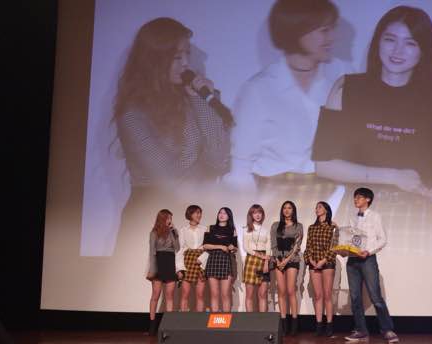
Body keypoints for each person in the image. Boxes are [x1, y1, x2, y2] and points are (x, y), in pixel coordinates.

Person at [313, 5, 432, 256]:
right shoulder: (348, 89)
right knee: (354, 282)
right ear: (377, 42)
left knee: (413, 282)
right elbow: (324, 165)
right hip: (359, 212)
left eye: (410, 43)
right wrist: (393, 176)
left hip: (417, 217)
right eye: (390, 39)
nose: (397, 51)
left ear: (423, 50)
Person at [113, 17, 232, 257]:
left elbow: (219, 160)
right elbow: (167, 178)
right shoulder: (132, 113)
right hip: (150, 219)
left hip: (192, 219)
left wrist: (199, 101)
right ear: (154, 61)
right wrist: (199, 159)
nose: (186, 64)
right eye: (177, 57)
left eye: (187, 54)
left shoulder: (190, 100)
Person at [225, 0, 352, 214]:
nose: (332, 38)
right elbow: (241, 167)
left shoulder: (340, 78)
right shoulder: (259, 89)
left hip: (332, 200)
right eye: (324, 30)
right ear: (298, 31)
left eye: (332, 29)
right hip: (275, 203)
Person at [343, 188, 399, 344]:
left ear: (368, 199)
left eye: (359, 197)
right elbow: (351, 239)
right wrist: (344, 249)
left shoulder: (375, 216)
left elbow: (383, 239)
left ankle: (387, 329)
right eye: (355, 197)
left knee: (375, 296)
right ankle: (361, 330)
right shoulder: (352, 217)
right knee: (355, 297)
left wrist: (369, 251)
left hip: (368, 259)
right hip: (353, 260)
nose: (356, 200)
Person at [304, 201, 338, 336]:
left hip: (327, 262)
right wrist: (311, 260)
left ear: (326, 210)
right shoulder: (312, 227)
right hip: (314, 262)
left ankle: (329, 325)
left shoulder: (333, 227)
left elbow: (334, 246)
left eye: (320, 207)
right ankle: (318, 325)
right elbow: (308, 246)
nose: (317, 209)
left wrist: (323, 260)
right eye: (316, 207)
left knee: (327, 294)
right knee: (318, 295)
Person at [270, 201, 304, 335]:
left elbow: (297, 246)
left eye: (289, 208)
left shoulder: (298, 226)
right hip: (279, 260)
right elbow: (273, 245)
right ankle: (283, 324)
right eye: (284, 208)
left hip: (292, 260)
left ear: (293, 210)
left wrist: (286, 260)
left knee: (291, 290)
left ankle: (294, 323)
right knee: (281, 291)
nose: (287, 210)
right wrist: (279, 260)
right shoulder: (275, 225)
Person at [146, 209, 180, 335]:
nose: (170, 220)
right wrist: (152, 270)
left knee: (169, 296)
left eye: (171, 218)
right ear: (162, 219)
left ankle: (168, 326)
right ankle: (152, 326)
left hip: (170, 263)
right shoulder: (154, 232)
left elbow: (177, 248)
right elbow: (152, 252)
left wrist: (173, 231)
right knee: (155, 295)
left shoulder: (173, 232)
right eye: (168, 218)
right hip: (159, 264)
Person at [202, 207, 238, 312]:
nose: (221, 215)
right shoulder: (210, 228)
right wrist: (220, 246)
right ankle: (214, 318)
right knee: (214, 294)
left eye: (225, 213)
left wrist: (232, 247)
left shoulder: (232, 230)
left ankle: (226, 319)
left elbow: (235, 248)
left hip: (226, 260)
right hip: (213, 259)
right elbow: (205, 245)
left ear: (229, 216)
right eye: (220, 213)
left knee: (225, 294)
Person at [175, 205, 207, 312]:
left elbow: (207, 248)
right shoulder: (183, 230)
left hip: (200, 261)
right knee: (185, 293)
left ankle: (199, 319)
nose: (199, 215)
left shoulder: (204, 229)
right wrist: (179, 268)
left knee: (200, 294)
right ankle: (183, 319)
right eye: (197, 213)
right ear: (190, 214)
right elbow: (181, 249)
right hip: (187, 261)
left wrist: (202, 259)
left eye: (200, 213)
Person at [242, 204, 271, 312]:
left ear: (262, 214)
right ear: (251, 215)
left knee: (262, 294)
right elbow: (246, 247)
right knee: (249, 294)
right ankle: (250, 320)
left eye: (259, 212)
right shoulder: (246, 229)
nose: (257, 215)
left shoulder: (266, 230)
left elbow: (268, 247)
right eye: (254, 213)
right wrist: (258, 255)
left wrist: (266, 262)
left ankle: (262, 320)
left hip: (264, 260)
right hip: (251, 259)